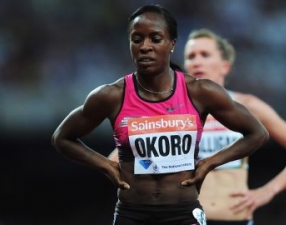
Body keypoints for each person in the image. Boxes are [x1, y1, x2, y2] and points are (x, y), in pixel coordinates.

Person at [51, 5, 269, 225]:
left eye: (155, 39)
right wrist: (104, 164)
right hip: (131, 213)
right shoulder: (111, 96)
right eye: (137, 39)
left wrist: (209, 163)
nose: (145, 47)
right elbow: (62, 137)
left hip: (183, 213)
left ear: (172, 43)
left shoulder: (200, 92)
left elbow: (257, 133)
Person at [109, 28, 286, 225]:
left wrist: (268, 191)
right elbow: (116, 159)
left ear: (225, 66)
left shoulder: (247, 106)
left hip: (234, 216)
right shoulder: (168, 110)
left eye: (205, 54)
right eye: (191, 56)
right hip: (183, 217)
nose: (196, 62)